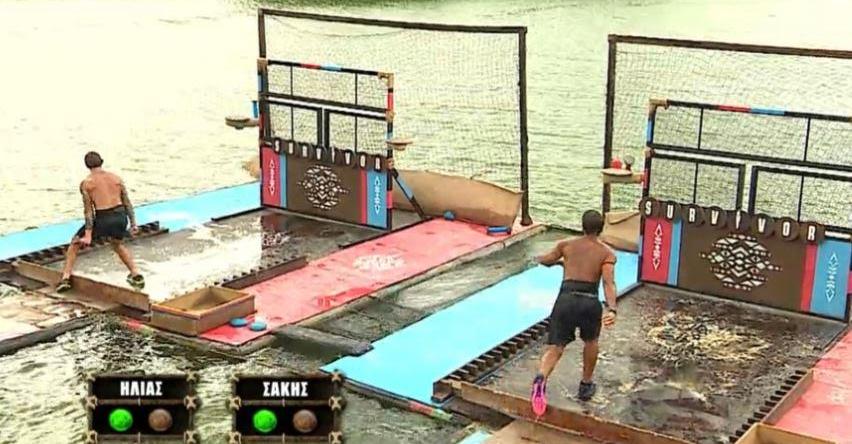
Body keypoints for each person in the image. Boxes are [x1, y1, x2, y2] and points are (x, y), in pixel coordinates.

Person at [530, 210, 617, 413]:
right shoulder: (607, 253)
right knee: (591, 342)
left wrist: (556, 261)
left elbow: (546, 260)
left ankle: (541, 377)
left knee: (556, 347)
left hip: (566, 299)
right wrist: (612, 309)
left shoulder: (566, 245)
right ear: (601, 228)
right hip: (589, 301)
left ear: (582, 226)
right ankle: (585, 385)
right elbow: (608, 283)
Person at [56, 152, 145, 292]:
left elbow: (89, 212)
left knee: (74, 243)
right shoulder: (116, 178)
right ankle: (135, 273)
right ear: (102, 161)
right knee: (116, 243)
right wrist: (133, 223)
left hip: (104, 217)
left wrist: (88, 235)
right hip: (121, 216)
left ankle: (65, 278)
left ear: (86, 165)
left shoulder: (87, 183)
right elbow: (127, 202)